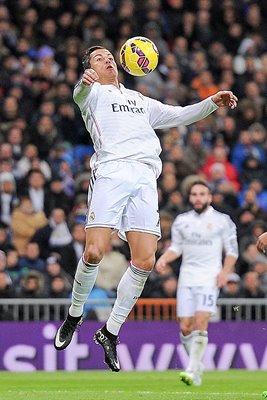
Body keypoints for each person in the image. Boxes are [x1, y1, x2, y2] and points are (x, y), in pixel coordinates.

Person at [53, 45, 238, 372]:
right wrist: (84, 82)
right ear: (90, 68)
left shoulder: (140, 100)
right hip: (111, 170)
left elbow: (180, 114)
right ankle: (75, 313)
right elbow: (78, 94)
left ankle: (110, 331)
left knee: (145, 260)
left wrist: (212, 102)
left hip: (144, 176)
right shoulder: (92, 94)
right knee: (94, 252)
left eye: (109, 55)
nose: (107, 59)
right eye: (99, 58)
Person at [155, 180, 239, 385]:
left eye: (202, 194)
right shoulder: (182, 221)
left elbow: (232, 251)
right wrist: (164, 258)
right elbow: (177, 247)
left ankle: (192, 369)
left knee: (201, 320)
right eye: (194, 194)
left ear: (209, 197)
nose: (198, 198)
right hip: (187, 277)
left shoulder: (223, 220)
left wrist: (225, 273)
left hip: (210, 277)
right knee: (185, 326)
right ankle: (197, 364)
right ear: (190, 197)